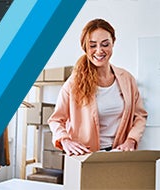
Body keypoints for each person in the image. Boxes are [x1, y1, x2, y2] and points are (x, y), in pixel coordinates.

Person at [47, 18, 147, 156]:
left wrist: (131, 140)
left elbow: (140, 115)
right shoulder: (73, 83)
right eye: (93, 45)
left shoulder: (127, 79)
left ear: (113, 43)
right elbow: (55, 120)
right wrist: (65, 140)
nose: (99, 51)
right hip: (85, 156)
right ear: (85, 47)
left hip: (118, 156)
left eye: (105, 44)